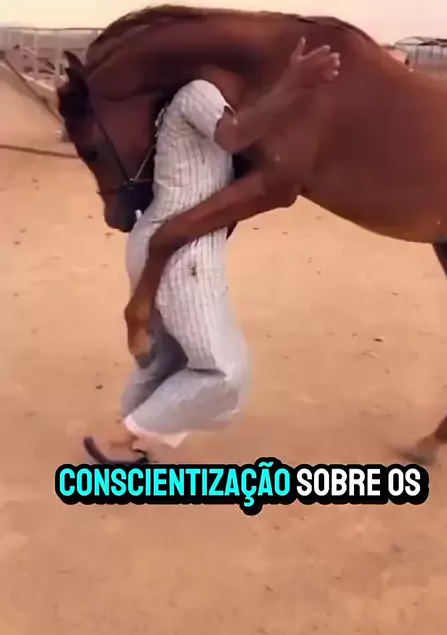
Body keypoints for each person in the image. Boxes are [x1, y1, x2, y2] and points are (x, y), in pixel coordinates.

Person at [83, 38, 340, 464]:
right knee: (225, 372)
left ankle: (130, 442)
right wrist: (293, 82)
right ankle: (119, 437)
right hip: (183, 253)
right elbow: (234, 136)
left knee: (166, 359)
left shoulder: (182, 100)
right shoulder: (199, 93)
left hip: (159, 240)